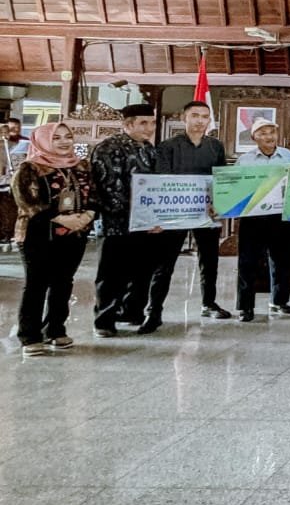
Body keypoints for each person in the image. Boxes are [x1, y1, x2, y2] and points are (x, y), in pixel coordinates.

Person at [10, 122, 98, 357]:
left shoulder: (81, 165)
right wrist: (61, 219)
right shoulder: (30, 168)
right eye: (56, 138)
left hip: (75, 234)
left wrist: (88, 215)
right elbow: (27, 202)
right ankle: (30, 336)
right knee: (36, 285)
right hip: (37, 235)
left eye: (67, 136)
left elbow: (94, 194)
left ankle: (55, 330)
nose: (64, 142)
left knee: (63, 282)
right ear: (43, 141)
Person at [146, 101, 229, 333]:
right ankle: (154, 311)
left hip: (206, 211)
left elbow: (221, 178)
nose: (200, 120)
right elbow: (161, 180)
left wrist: (220, 203)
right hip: (176, 212)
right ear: (184, 118)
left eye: (204, 116)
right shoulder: (167, 146)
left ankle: (209, 303)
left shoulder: (215, 146)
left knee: (209, 261)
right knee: (164, 264)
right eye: (195, 115)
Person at [90, 104, 159, 336]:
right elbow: (109, 189)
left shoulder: (149, 149)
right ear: (128, 124)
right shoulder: (109, 148)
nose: (149, 128)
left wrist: (155, 216)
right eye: (143, 123)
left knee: (141, 271)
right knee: (112, 274)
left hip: (144, 223)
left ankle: (131, 312)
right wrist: (137, 214)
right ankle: (104, 321)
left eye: (152, 123)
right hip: (116, 224)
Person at [233, 117, 290, 322]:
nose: (268, 136)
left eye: (272, 132)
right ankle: (246, 307)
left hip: (280, 217)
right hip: (253, 218)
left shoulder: (289, 156)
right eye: (262, 133)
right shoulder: (245, 161)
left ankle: (279, 301)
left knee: (282, 260)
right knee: (248, 262)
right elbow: (235, 187)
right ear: (254, 138)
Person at [0, 117, 29, 251]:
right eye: (10, 129)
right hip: (3, 181)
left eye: (17, 128)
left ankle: (9, 235)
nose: (14, 131)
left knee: (10, 210)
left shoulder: (23, 143)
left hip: (12, 182)